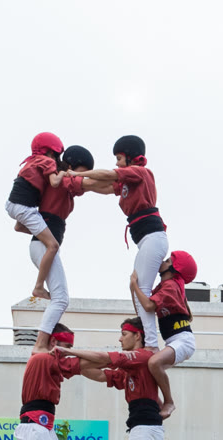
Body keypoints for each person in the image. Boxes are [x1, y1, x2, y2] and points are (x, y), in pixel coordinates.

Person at [65, 135, 170, 349]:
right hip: (146, 241)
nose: (117, 163)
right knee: (136, 289)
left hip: (152, 238)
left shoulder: (140, 172)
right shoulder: (128, 182)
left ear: (131, 158)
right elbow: (103, 186)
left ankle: (151, 344)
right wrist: (77, 184)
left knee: (142, 290)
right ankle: (147, 341)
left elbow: (108, 174)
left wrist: (77, 174)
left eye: (119, 158)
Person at [3, 133, 93, 337]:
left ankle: (46, 336)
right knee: (61, 298)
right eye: (83, 171)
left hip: (40, 243)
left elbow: (18, 226)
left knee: (60, 297)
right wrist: (117, 179)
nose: (83, 176)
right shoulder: (63, 178)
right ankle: (41, 338)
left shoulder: (51, 172)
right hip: (43, 247)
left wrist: (40, 229)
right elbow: (90, 185)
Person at [128, 249, 199, 385]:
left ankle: (168, 398)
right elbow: (142, 311)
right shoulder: (164, 286)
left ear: (174, 269)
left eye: (167, 261)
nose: (162, 262)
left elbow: (148, 306)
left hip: (183, 342)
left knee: (154, 363)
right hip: (174, 342)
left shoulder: (170, 287)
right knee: (149, 368)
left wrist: (135, 286)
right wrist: (133, 289)